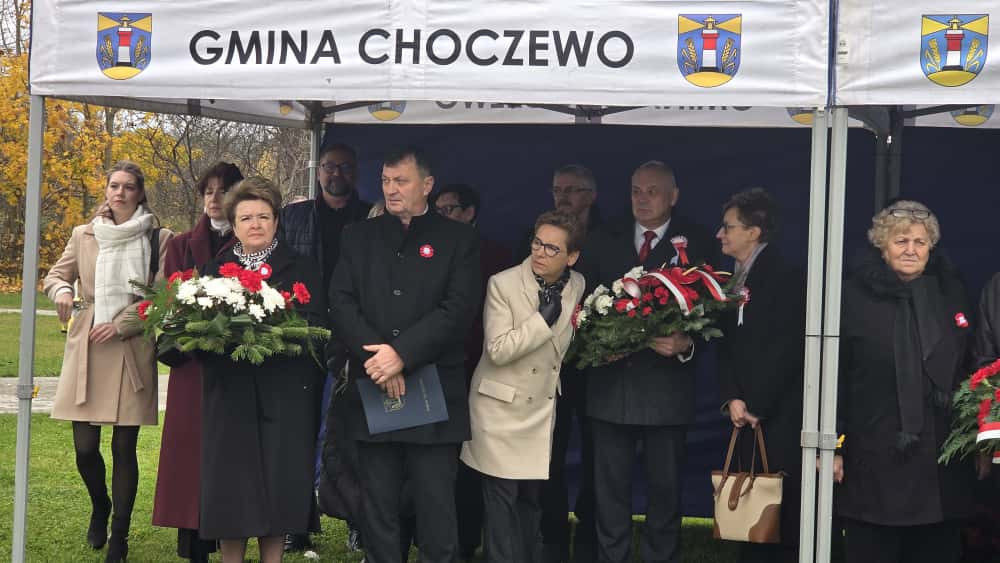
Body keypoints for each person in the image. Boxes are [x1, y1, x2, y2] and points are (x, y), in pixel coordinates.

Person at [330, 146, 481, 563]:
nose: (391, 189)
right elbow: (341, 301)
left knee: (436, 508)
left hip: (434, 391)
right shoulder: (358, 236)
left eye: (401, 181)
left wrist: (402, 354)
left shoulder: (459, 239)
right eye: (385, 181)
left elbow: (458, 309)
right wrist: (380, 359)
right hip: (374, 384)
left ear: (427, 185)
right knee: (378, 507)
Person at [575, 160, 719, 563]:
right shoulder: (603, 237)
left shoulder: (698, 242)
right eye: (636, 190)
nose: (642, 199)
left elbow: (716, 314)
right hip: (611, 390)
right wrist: (600, 343)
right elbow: (580, 306)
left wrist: (686, 344)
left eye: (652, 191)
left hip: (667, 393)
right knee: (609, 496)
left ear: (674, 196)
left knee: (665, 494)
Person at [43, 160, 174, 562]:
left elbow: (163, 295)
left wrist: (121, 325)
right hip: (87, 343)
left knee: (123, 446)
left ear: (140, 192)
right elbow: (55, 275)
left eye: (128, 186)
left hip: (130, 345)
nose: (120, 192)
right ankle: (100, 505)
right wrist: (63, 291)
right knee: (85, 448)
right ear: (106, 190)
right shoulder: (84, 233)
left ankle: (119, 533)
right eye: (114, 185)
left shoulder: (159, 237)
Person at [834, 200, 975, 563]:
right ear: (882, 246)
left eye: (920, 242)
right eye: (901, 241)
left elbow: (968, 370)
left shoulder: (951, 294)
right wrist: (832, 445)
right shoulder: (851, 297)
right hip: (873, 456)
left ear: (931, 248)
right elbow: (833, 376)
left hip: (939, 462)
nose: (911, 249)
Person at [198, 177, 327, 563]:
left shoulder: (301, 268)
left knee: (277, 488)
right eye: (246, 218)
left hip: (284, 396)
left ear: (276, 221)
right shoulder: (215, 269)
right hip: (230, 397)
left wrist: (274, 335)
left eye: (263, 217)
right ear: (233, 225)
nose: (255, 224)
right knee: (231, 490)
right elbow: (198, 329)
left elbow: (316, 329)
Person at [460, 210, 585, 563]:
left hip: (540, 410)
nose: (540, 253)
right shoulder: (503, 284)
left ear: (572, 257)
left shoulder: (577, 284)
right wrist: (541, 321)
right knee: (501, 503)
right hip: (499, 409)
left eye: (552, 248)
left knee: (531, 500)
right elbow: (498, 350)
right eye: (537, 243)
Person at [280, 142, 371, 553]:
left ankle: (357, 522)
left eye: (345, 167)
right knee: (299, 431)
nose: (337, 174)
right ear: (319, 172)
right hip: (305, 338)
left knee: (351, 434)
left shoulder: (370, 216)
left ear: (356, 172)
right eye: (330, 166)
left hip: (353, 340)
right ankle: (295, 523)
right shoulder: (293, 217)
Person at [152, 161, 243, 562]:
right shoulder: (182, 244)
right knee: (189, 452)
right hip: (191, 363)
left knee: (227, 452)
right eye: (208, 191)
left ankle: (229, 533)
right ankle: (192, 541)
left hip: (234, 360)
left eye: (223, 190)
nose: (214, 198)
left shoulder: (247, 243)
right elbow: (171, 299)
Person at [715, 188, 804, 563]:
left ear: (753, 232)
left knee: (779, 513)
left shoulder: (784, 276)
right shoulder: (732, 277)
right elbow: (725, 343)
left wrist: (757, 405)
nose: (720, 234)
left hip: (777, 413)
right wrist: (733, 396)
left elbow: (786, 347)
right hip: (745, 411)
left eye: (728, 227)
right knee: (749, 511)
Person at [432, 182, 513, 560]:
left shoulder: (496, 254)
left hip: (482, 369)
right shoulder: (428, 249)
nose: (441, 217)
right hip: (434, 367)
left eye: (448, 210)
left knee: (474, 457)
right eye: (437, 210)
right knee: (437, 461)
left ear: (470, 212)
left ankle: (468, 538)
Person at [532, 164, 602, 563]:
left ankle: (590, 536)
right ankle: (552, 537)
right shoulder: (537, 238)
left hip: (597, 366)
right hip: (548, 365)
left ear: (591, 196)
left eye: (572, 190)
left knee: (598, 456)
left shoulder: (607, 239)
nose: (563, 197)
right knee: (548, 453)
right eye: (558, 189)